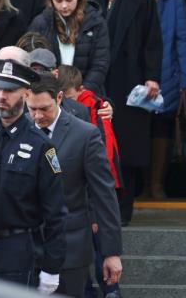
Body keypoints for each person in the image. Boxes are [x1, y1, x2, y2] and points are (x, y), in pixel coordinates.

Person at [0, 59, 66, 292]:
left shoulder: (40, 146)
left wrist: (51, 268)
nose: (2, 95)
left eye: (10, 90)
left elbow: (55, 213)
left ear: (26, 94)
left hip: (14, 251)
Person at [84, 0, 162, 225]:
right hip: (94, 78)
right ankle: (95, 210)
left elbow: (152, 39)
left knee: (126, 148)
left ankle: (123, 210)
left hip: (129, 78)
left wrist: (152, 76)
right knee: (94, 144)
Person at [25, 72, 122, 297]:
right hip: (26, 248)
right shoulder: (20, 131)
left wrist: (111, 252)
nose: (38, 116)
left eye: (44, 109)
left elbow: (103, 194)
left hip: (71, 249)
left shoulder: (85, 135)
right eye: (32, 109)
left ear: (59, 98)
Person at [134, 0, 186, 199]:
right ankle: (141, 185)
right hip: (137, 72)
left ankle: (157, 184)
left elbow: (183, 39)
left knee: (162, 128)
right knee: (138, 128)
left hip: (168, 71)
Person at [29, 0, 110, 95]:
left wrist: (82, 92)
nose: (64, 5)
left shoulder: (96, 22)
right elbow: (32, 62)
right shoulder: (41, 23)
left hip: (86, 93)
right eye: (58, 0)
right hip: (50, 94)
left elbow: (100, 64)